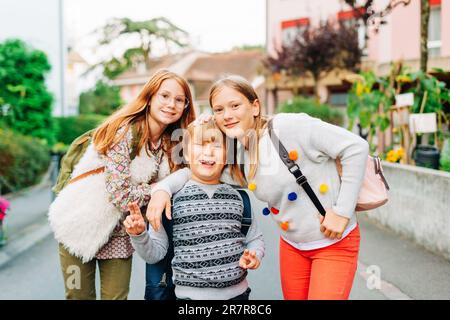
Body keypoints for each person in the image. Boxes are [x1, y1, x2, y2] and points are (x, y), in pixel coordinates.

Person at [147, 75, 369, 300]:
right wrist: (163, 189)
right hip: (293, 246)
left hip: (333, 241)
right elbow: (197, 171)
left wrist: (342, 212)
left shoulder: (288, 126)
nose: (228, 115)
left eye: (235, 106)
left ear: (255, 106)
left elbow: (356, 147)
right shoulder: (240, 153)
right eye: (219, 109)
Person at [48, 69, 195, 300]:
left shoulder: (174, 142)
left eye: (179, 100)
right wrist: (160, 190)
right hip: (78, 226)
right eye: (164, 96)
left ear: (186, 106)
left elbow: (192, 172)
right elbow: (121, 195)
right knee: (78, 297)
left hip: (120, 235)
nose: (171, 104)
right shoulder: (124, 131)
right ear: (150, 97)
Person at [124, 119, 265, 300]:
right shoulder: (171, 200)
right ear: (187, 154)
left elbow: (255, 239)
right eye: (200, 145)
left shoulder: (240, 199)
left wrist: (254, 254)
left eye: (216, 146)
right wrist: (139, 235)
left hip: (238, 295)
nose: (208, 152)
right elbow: (155, 255)